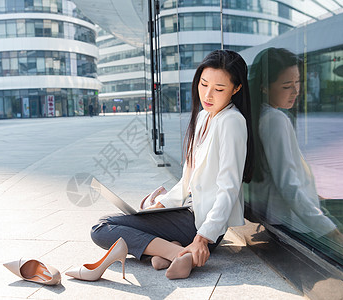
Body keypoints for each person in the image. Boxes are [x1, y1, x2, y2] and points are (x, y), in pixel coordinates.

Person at [90, 50, 254, 280]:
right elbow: (187, 181)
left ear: (236, 89)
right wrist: (161, 205)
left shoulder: (232, 121)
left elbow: (230, 188)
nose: (208, 94)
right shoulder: (204, 117)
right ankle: (174, 252)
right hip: (187, 213)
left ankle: (178, 252)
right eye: (203, 84)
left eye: (219, 89)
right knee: (127, 221)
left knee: (101, 228)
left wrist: (202, 238)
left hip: (203, 225)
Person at [248, 48, 343, 250]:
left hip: (278, 216)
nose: (296, 91)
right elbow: (288, 185)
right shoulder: (275, 120)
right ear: (264, 88)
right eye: (287, 86)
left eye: (298, 82)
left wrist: (313, 194)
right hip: (291, 221)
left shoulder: (258, 115)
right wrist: (332, 232)